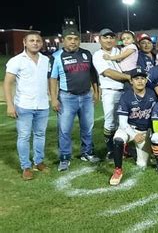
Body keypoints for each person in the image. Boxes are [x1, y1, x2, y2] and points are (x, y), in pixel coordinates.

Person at [49, 27, 100, 171]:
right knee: (65, 129)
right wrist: (53, 99)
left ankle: (87, 152)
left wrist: (96, 92)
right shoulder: (56, 56)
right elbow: (52, 79)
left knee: (87, 127)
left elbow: (93, 75)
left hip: (86, 96)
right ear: (63, 40)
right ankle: (65, 157)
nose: (73, 42)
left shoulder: (86, 53)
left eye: (76, 39)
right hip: (67, 98)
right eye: (70, 39)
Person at [4, 32, 50, 180]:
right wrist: (10, 105)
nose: (35, 43)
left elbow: (48, 80)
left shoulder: (45, 60)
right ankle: (26, 166)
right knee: (24, 136)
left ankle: (39, 161)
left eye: (38, 41)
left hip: (42, 105)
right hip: (24, 105)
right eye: (32, 40)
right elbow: (7, 83)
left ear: (41, 44)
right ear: (25, 42)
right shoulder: (16, 61)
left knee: (40, 135)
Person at [109, 68, 158, 185]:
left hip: (145, 131)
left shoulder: (152, 94)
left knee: (142, 165)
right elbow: (122, 122)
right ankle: (118, 170)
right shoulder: (126, 96)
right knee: (118, 139)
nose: (140, 81)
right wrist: (134, 135)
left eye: (142, 78)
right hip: (129, 129)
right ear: (131, 81)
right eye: (136, 79)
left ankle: (132, 150)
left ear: (146, 81)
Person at [92, 28, 132, 161]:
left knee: (125, 122)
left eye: (111, 37)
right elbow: (108, 72)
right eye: (105, 37)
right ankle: (111, 150)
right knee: (110, 123)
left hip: (125, 90)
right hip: (110, 91)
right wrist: (128, 77)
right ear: (100, 39)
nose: (108, 40)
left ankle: (124, 148)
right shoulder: (97, 55)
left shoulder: (119, 51)